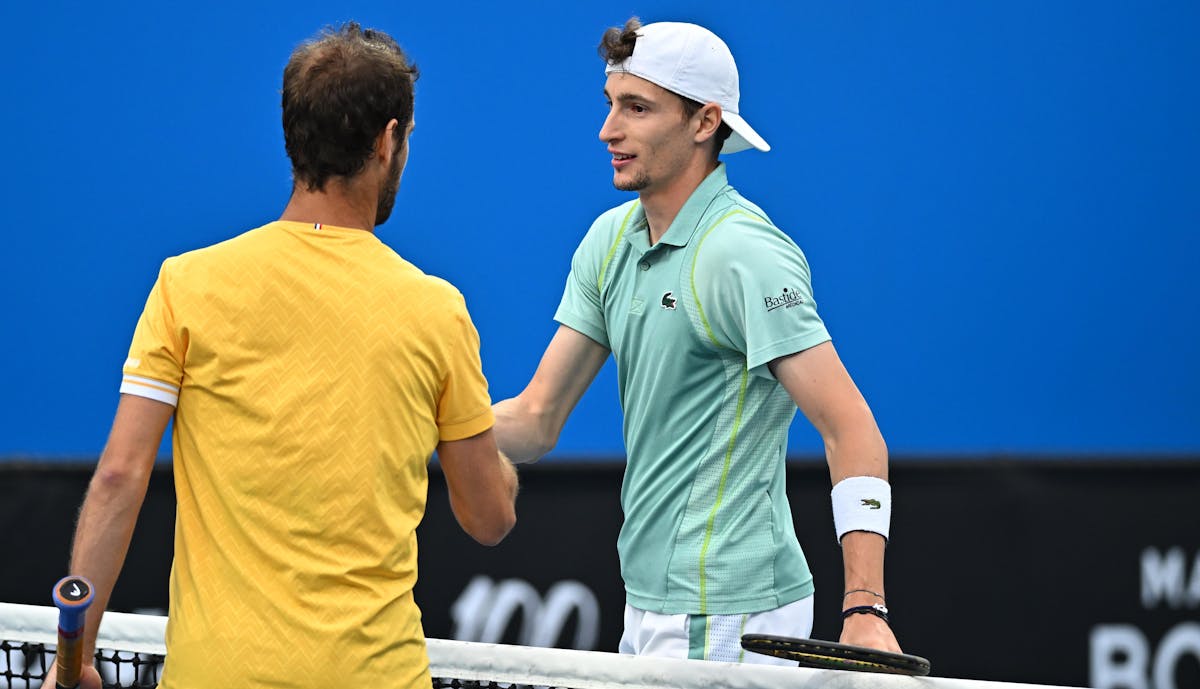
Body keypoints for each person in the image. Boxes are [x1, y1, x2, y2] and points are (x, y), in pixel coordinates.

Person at [43, 22, 517, 689]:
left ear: (294, 137)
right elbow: (489, 517)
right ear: (389, 141)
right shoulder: (438, 310)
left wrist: (76, 658)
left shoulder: (188, 284)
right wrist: (498, 461)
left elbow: (119, 476)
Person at [493, 18, 899, 664]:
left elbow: (852, 429)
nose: (609, 131)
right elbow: (537, 419)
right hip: (648, 603)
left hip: (734, 614)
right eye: (610, 106)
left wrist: (865, 606)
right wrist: (427, 420)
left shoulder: (746, 253)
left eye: (637, 108)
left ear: (705, 122)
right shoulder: (608, 242)